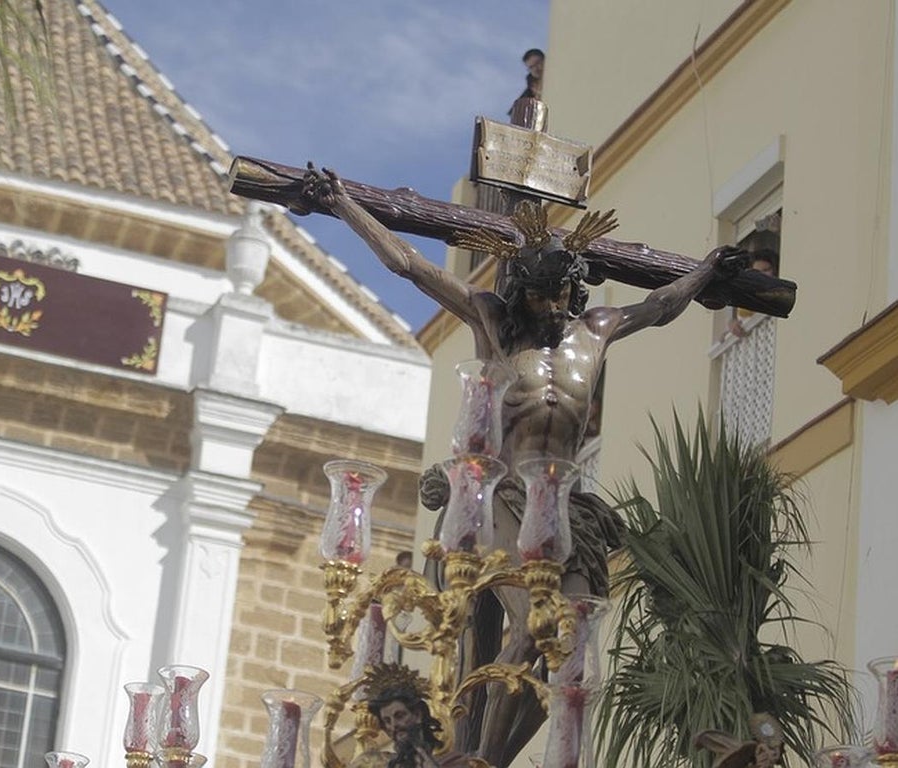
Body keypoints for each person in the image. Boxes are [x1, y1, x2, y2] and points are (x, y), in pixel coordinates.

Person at [304, 166, 748, 766]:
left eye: (562, 294)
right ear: (521, 289)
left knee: (571, 649)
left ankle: (499, 756)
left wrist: (707, 272)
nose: (553, 307)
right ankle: (481, 754)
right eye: (542, 294)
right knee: (527, 627)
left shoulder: (596, 332)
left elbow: (662, 305)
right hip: (503, 498)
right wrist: (343, 203)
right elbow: (409, 264)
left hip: (566, 504)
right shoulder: (492, 321)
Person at [364, 664, 472, 768]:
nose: (394, 725)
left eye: (399, 716)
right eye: (387, 721)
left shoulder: (452, 761)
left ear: (417, 715)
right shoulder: (384, 764)